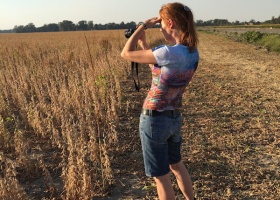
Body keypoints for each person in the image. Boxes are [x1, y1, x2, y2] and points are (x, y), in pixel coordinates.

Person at [121, 2, 199, 200]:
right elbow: (160, 75)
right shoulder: (191, 53)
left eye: (162, 23)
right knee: (176, 165)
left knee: (161, 177)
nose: (161, 27)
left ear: (170, 23)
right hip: (174, 118)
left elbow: (125, 54)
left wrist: (142, 26)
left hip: (154, 119)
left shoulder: (167, 52)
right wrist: (144, 45)